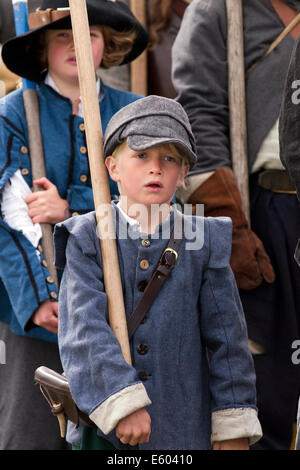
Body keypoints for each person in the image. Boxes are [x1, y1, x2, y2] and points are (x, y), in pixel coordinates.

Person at [53, 95, 262, 450]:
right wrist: (122, 401)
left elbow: (227, 341)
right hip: (106, 430)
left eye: (169, 158)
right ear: (113, 167)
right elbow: (82, 331)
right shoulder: (86, 236)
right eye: (141, 155)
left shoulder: (204, 239)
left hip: (182, 429)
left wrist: (233, 422)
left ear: (182, 174)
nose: (156, 168)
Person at [0, 0, 148, 450]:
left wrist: (72, 211)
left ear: (108, 45)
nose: (76, 44)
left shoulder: (134, 112)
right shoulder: (12, 114)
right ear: (43, 47)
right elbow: (7, 219)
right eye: (61, 35)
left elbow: (152, 205)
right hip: (40, 313)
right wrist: (38, 300)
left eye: (89, 34)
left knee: (114, 440)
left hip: (118, 306)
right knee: (30, 437)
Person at [172, 0, 300, 450]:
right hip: (264, 213)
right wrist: (228, 224)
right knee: (265, 384)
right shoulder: (216, 12)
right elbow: (197, 113)